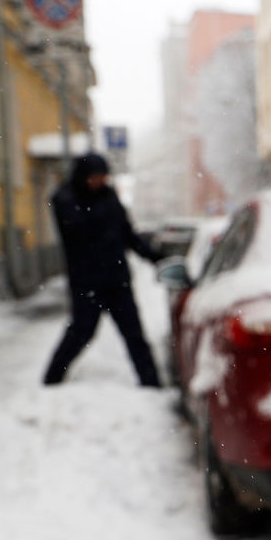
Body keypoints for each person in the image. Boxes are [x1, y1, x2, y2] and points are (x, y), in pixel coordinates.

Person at [43, 153, 164, 387]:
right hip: (86, 283)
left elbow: (127, 234)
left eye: (103, 176)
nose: (100, 181)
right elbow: (79, 230)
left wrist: (153, 257)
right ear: (83, 176)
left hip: (117, 281)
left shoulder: (109, 197)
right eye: (95, 177)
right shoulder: (66, 198)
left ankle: (152, 384)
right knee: (81, 333)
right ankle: (51, 381)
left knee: (134, 335)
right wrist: (107, 222)